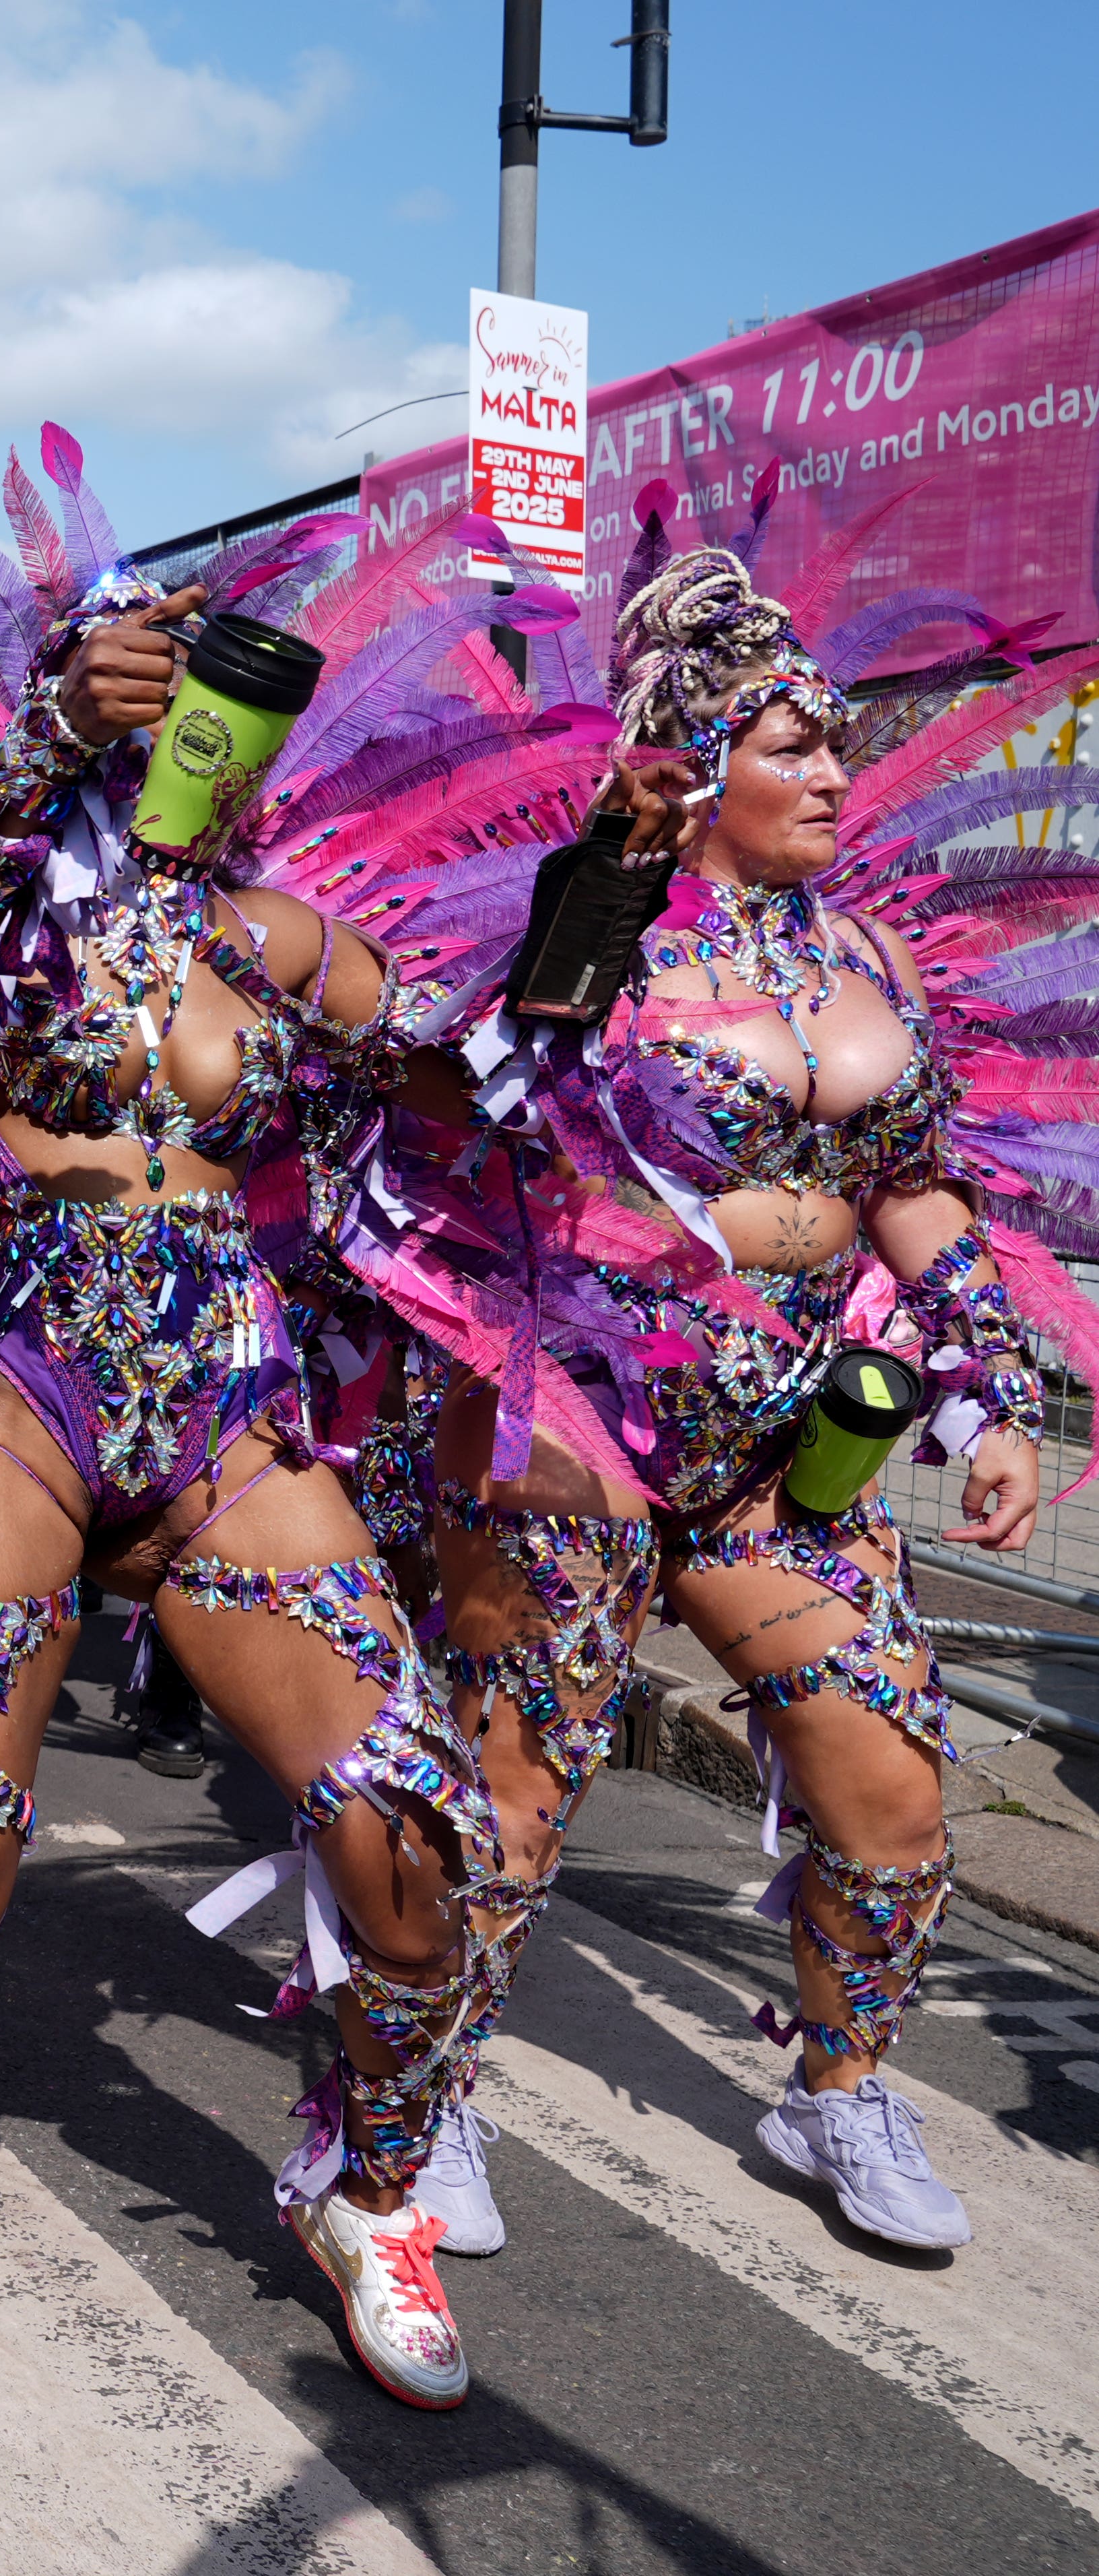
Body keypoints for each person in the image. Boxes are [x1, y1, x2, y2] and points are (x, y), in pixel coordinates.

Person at [0, 437, 537, 2426]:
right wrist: (30, 744)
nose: (199, 744)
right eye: (168, 703)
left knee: (414, 1833)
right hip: (12, 1389)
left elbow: (462, 1083)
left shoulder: (281, 943)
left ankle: (365, 2194)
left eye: (236, 718)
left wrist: (603, 895)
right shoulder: (7, 901)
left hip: (230, 1409)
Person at [411, 536, 1088, 2258]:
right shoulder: (603, 937)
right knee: (514, 1788)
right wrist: (583, 928)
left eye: (841, 747)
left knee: (893, 1781)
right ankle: (417, 2098)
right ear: (701, 761)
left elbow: (916, 1188)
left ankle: (835, 2086)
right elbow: (470, 1114)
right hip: (581, 1431)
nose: (836, 776)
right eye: (794, 746)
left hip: (791, 1451)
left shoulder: (867, 953)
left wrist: (991, 1391)